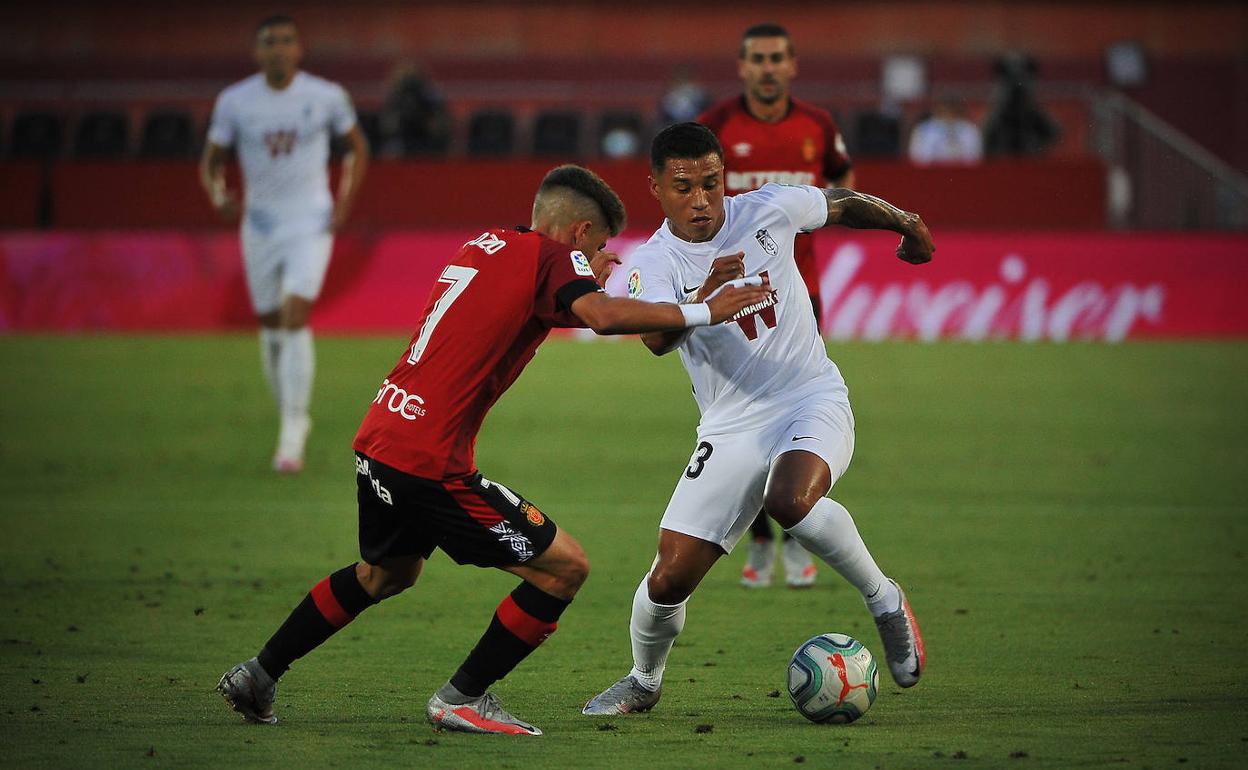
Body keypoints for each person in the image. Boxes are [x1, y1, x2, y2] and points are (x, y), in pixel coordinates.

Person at [215, 164, 771, 736]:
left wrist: (687, 295)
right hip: (430, 461)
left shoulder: (487, 246)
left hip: (382, 435)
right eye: (601, 248)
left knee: (385, 574)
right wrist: (708, 309)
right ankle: (463, 697)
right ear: (578, 233)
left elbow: (569, 308)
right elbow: (600, 316)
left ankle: (259, 674)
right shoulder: (553, 258)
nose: (605, 262)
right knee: (564, 569)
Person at [582, 123, 931, 717]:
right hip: (729, 427)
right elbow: (653, 340)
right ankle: (643, 680)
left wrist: (908, 224)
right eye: (684, 187)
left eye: (711, 184)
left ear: (724, 178)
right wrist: (700, 303)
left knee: (789, 499)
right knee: (667, 580)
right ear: (657, 189)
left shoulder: (767, 208)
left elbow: (840, 204)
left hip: (809, 397)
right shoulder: (655, 262)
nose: (701, 201)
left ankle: (885, 599)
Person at [698, 22, 855, 588]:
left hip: (798, 295)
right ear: (742, 67)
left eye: (776, 58)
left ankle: (794, 534)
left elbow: (842, 182)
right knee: (745, 418)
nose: (767, 68)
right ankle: (761, 537)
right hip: (729, 298)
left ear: (792, 65)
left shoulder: (818, 126)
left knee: (798, 414)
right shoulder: (715, 126)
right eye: (757, 59)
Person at [200, 15, 370, 473]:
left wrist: (344, 202)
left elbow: (356, 147)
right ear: (257, 52)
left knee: (296, 314)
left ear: (300, 49)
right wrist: (219, 196)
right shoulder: (236, 102)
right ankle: (290, 415)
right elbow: (211, 160)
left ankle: (293, 429)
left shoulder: (325, 96)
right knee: (271, 326)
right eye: (269, 42)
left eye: (286, 41)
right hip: (259, 226)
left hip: (310, 223)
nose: (278, 48)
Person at [908, 92, 984, 165]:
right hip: (930, 175)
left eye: (952, 111)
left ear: (959, 111)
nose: (948, 115)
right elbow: (917, 159)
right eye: (944, 110)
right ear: (937, 110)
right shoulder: (923, 130)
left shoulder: (970, 130)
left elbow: (975, 159)